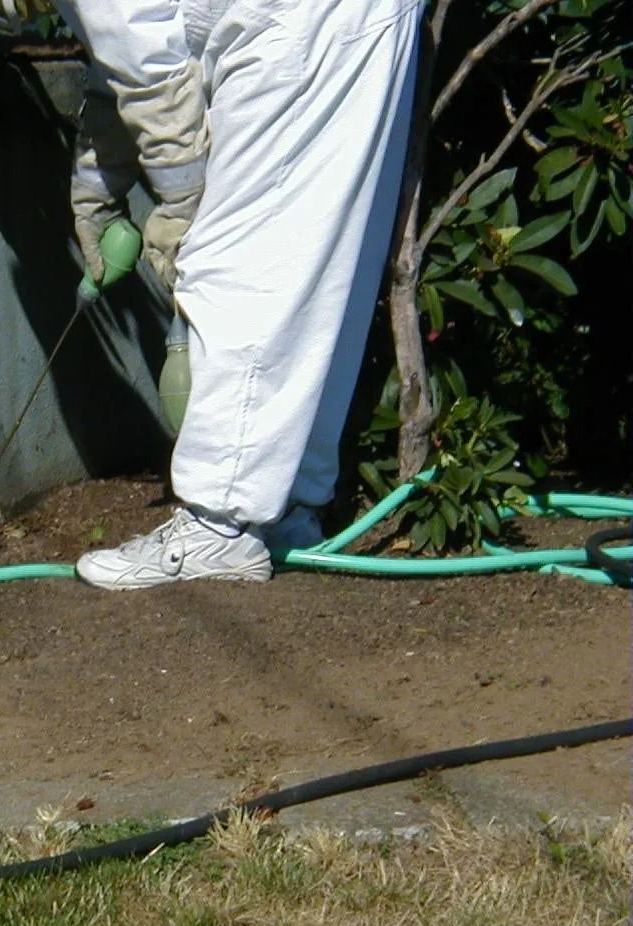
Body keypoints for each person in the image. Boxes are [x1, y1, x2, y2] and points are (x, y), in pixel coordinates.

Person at [50, 0, 424, 589]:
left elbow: (137, 44)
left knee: (236, 264)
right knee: (313, 261)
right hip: (311, 17)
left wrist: (181, 199)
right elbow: (131, 44)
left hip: (298, 17)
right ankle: (284, 511)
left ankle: (220, 523)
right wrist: (96, 182)